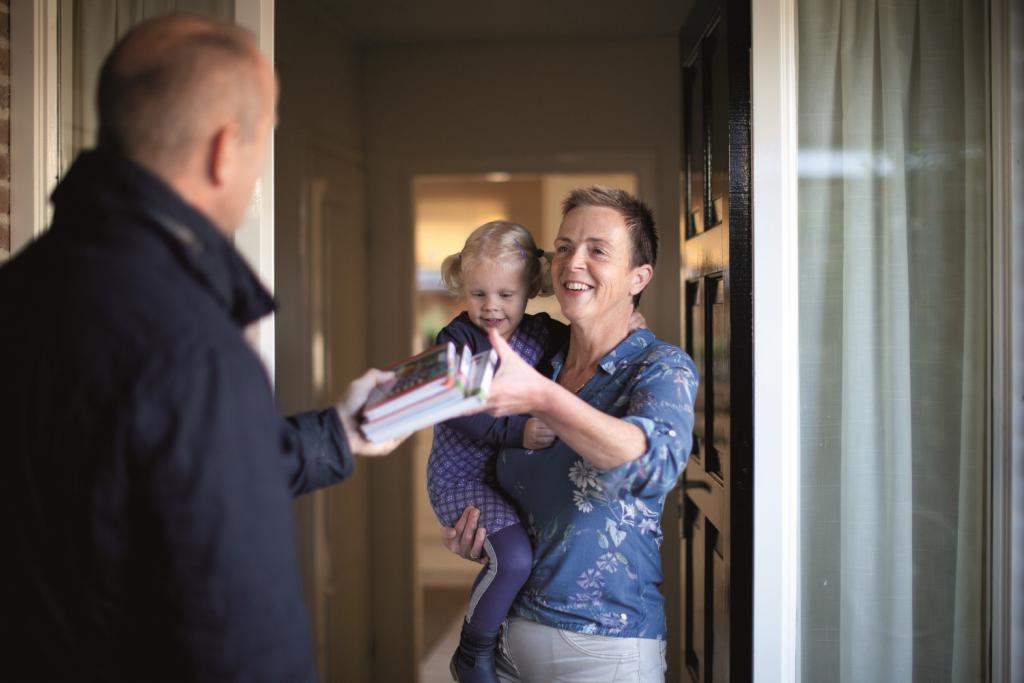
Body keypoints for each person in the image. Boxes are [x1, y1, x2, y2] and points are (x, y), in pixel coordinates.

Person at [0, 14, 401, 682]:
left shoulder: (17, 291)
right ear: (224, 150)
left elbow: (137, 483)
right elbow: (247, 648)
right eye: (264, 141)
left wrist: (342, 431)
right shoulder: (197, 353)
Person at [444, 186, 699, 682]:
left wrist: (544, 400)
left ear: (638, 278)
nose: (573, 262)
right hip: (505, 644)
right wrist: (478, 533)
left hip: (604, 649)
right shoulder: (540, 358)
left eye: (597, 250)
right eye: (563, 247)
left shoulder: (660, 367)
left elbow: (655, 465)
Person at [427, 220, 567, 682]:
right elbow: (456, 408)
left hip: (505, 476)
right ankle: (472, 652)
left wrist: (628, 324)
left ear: (531, 289)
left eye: (505, 295)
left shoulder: (545, 335)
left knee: (526, 555)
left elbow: (596, 347)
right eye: (478, 294)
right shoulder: (456, 340)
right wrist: (516, 432)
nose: (490, 307)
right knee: (514, 558)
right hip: (461, 477)